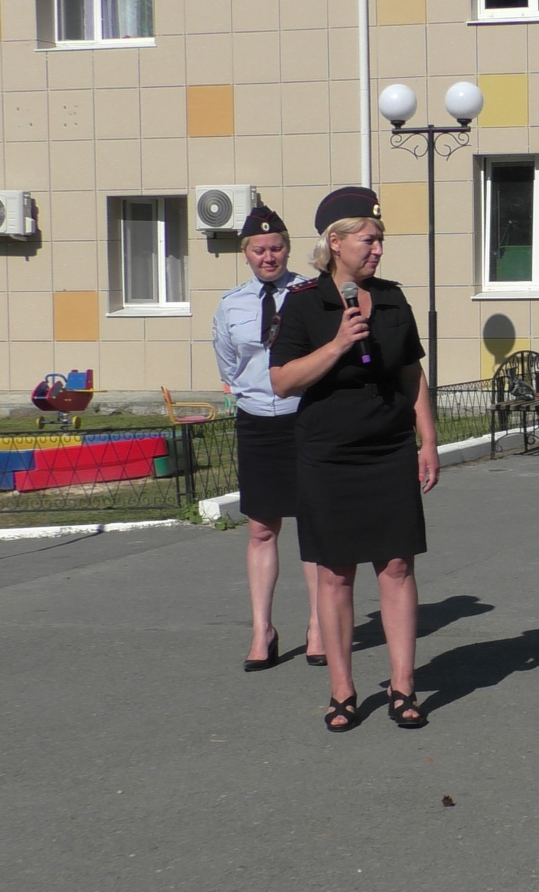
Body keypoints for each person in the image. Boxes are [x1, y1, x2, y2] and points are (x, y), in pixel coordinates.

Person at [269, 187, 438, 732]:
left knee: (396, 565)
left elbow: (412, 374)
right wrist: (338, 344)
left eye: (380, 240)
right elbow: (282, 381)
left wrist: (428, 440)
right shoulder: (302, 303)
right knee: (336, 573)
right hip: (329, 455)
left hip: (388, 450)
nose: (378, 250)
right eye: (369, 240)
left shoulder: (391, 299)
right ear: (335, 242)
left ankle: (404, 686)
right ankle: (342, 690)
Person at [212, 206, 322, 673]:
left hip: (306, 418)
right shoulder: (231, 303)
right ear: (246, 254)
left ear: (288, 248)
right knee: (261, 527)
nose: (268, 255)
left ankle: (319, 625)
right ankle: (263, 630)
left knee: (315, 525)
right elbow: (228, 364)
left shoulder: (311, 294)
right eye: (259, 249)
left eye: (276, 247)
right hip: (258, 420)